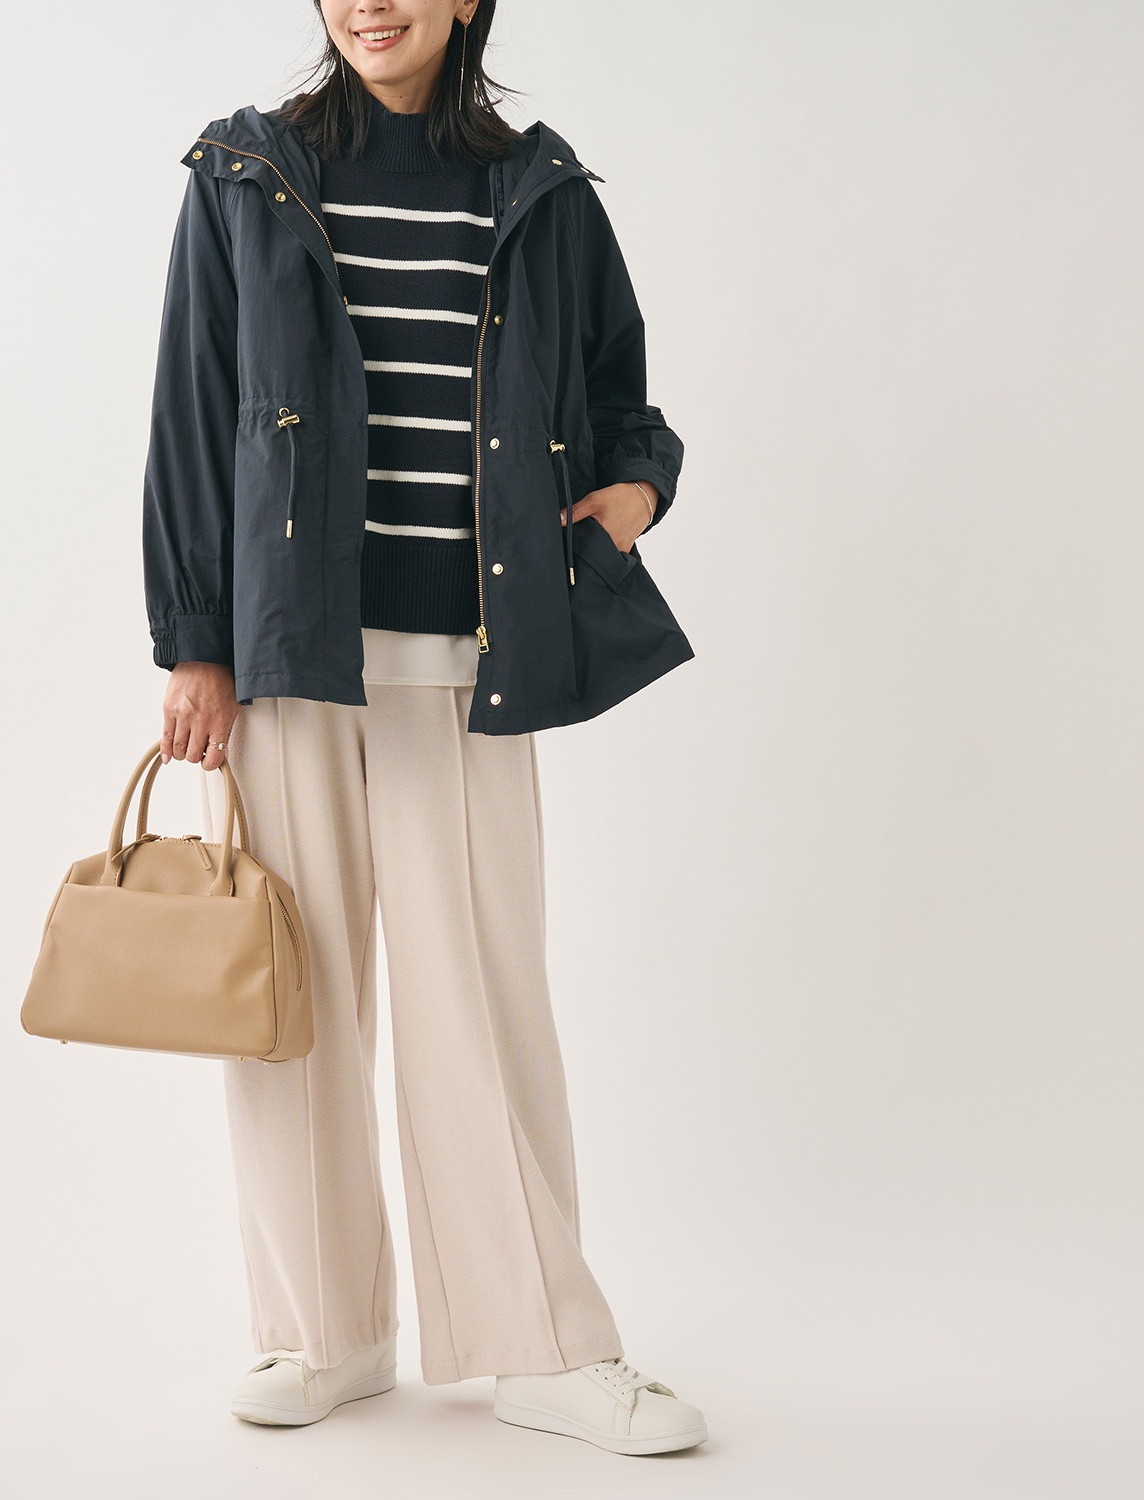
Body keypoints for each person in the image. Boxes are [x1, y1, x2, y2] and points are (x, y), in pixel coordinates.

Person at [142, 0, 704, 1457]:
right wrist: (194, 642)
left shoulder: (538, 186)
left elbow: (623, 395)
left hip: (472, 657)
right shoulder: (246, 172)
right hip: (290, 658)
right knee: (292, 1001)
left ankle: (538, 1344)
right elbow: (194, 417)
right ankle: (322, 1333)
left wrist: (635, 491)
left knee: (484, 1003)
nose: (371, 2)